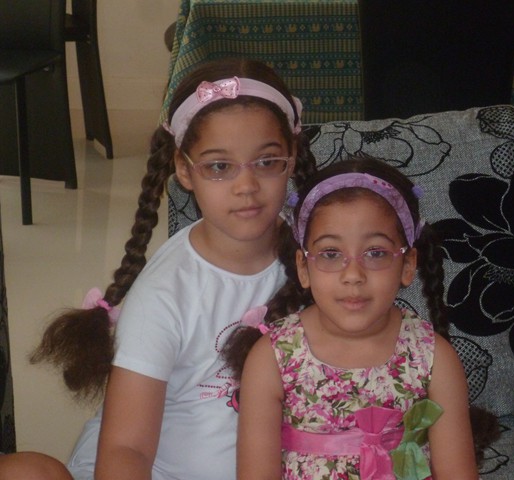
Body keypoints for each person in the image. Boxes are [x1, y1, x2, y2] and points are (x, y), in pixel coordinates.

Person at [0, 58, 316, 480]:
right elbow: (126, 449)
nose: (247, 186)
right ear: (184, 169)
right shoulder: (166, 293)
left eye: (266, 161)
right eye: (219, 167)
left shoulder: (323, 255)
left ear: (291, 157)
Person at [223, 157, 479, 479]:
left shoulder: (433, 357)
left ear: (407, 264)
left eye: (376, 253)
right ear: (303, 267)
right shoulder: (272, 358)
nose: (353, 275)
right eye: (331, 254)